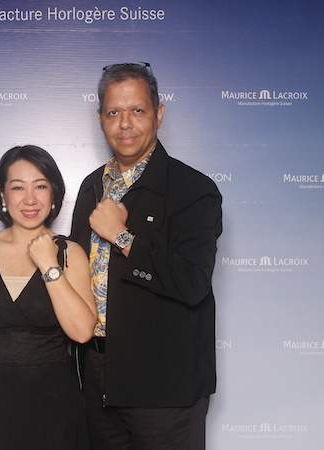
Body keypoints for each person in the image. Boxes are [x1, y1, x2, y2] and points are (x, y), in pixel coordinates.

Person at [69, 62, 223, 450]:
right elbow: (70, 274)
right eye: (113, 112)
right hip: (97, 377)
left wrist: (122, 237)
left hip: (164, 386)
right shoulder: (91, 187)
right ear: (100, 118)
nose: (125, 124)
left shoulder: (193, 190)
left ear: (159, 113)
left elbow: (192, 283)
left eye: (137, 110)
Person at [0, 145, 96, 450]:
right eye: (18, 187)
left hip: (54, 407)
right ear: (2, 194)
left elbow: (82, 332)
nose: (30, 199)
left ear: (54, 193)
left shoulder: (70, 253)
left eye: (40, 186)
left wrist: (49, 265)